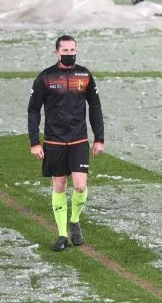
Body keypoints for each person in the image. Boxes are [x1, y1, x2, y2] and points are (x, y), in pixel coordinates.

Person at [28, 35, 105, 251]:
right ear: (57, 53)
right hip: (54, 141)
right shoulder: (45, 77)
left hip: (79, 139)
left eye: (72, 50)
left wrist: (99, 138)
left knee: (80, 185)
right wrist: (34, 142)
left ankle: (74, 220)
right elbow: (33, 110)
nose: (70, 54)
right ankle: (62, 235)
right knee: (59, 185)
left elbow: (95, 106)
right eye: (65, 50)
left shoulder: (85, 75)